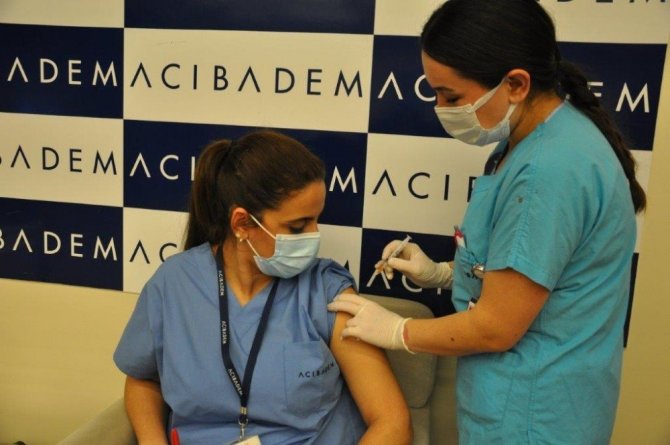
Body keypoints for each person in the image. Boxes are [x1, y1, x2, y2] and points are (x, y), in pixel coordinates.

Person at [328, 0, 646, 443]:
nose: (439, 108)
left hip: (535, 416)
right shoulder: (529, 141)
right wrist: (442, 274)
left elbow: (496, 328)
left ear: (515, 84)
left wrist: (398, 331)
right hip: (530, 402)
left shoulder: (548, 171)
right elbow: (535, 271)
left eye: (451, 96)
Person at [114, 130, 412, 445]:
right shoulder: (174, 284)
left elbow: (392, 423)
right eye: (297, 226)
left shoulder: (326, 292)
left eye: (316, 220)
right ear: (242, 223)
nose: (314, 235)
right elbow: (143, 380)